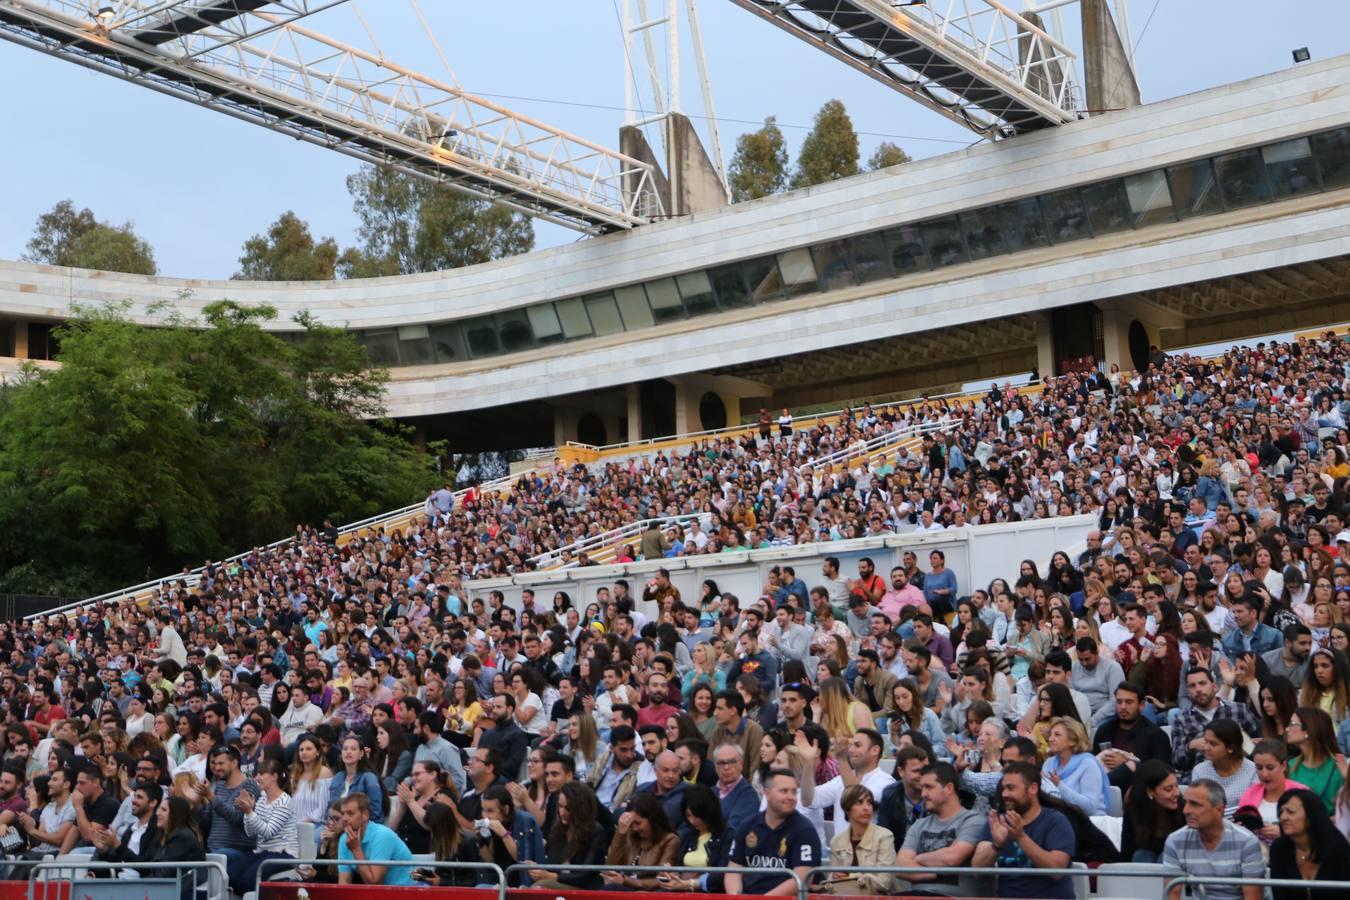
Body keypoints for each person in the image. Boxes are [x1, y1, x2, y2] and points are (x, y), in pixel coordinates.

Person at [971, 761, 1076, 899]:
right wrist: (996, 846)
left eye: (1011, 788)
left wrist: (1021, 838)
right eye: (1003, 788)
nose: (1004, 794)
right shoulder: (998, 822)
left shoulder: (1056, 821)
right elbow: (977, 870)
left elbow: (1057, 870)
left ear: (1033, 788)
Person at [1163, 779, 1264, 900]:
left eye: (1195, 804)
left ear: (1219, 810)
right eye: (1186, 803)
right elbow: (1172, 895)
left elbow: (1253, 898)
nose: (1186, 810)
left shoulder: (1247, 842)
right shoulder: (1175, 841)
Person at [726, 768, 820, 897]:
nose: (791, 797)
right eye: (784, 791)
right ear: (767, 793)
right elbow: (734, 868)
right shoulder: (747, 825)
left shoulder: (805, 830)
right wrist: (736, 897)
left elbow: (803, 878)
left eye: (794, 792)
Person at [895, 761, 983, 894]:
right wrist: (941, 872)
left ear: (948, 788)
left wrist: (918, 858)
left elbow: (952, 858)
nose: (923, 794)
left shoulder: (973, 821)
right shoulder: (919, 825)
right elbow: (901, 867)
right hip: (917, 896)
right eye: (922, 788)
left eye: (929, 787)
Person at [224, 758, 298, 895]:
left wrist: (249, 812)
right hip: (262, 852)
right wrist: (248, 812)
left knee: (248, 880)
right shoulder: (262, 798)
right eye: (257, 773)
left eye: (261, 774)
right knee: (230, 875)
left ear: (274, 777)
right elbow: (251, 833)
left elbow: (267, 832)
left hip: (284, 854)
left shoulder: (285, 801)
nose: (257, 777)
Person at [1268, 788, 1350, 900]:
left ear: (1312, 815)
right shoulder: (1278, 849)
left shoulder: (1338, 847)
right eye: (1281, 812)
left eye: (1290, 812)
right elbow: (1279, 895)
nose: (1283, 818)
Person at [527, 781, 606, 890]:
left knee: (541, 887)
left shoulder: (596, 832)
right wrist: (537, 868)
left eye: (568, 808)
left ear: (581, 808)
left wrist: (551, 876)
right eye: (560, 806)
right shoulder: (558, 830)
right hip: (558, 883)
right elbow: (551, 864)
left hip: (583, 889)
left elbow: (585, 875)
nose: (562, 812)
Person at [599, 791, 678, 890]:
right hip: (624, 887)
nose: (635, 828)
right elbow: (610, 866)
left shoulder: (670, 840)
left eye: (638, 823)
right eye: (632, 823)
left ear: (652, 819)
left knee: (611, 889)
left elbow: (661, 880)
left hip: (646, 892)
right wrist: (620, 834)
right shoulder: (630, 834)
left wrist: (625, 881)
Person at [825, 783, 895, 895]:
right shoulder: (836, 841)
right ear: (847, 809)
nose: (866, 808)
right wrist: (833, 876)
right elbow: (830, 882)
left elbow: (885, 883)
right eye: (859, 802)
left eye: (869, 802)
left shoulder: (884, 836)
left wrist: (851, 876)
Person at [336, 792, 415, 886]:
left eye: (350, 813)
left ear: (365, 815)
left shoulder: (382, 836)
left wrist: (356, 849)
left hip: (406, 892)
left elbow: (375, 883)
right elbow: (343, 882)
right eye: (343, 813)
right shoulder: (344, 839)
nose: (344, 818)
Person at [1240, 740, 1309, 844]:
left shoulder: (1301, 792)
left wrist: (1284, 832)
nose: (1264, 774)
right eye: (1259, 768)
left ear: (1283, 765)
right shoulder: (1250, 793)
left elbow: (1316, 830)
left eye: (1270, 768)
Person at [1040, 717, 1108, 816]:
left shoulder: (1088, 764)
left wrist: (1059, 785)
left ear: (1072, 741)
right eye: (1050, 735)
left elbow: (1090, 808)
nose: (1050, 739)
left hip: (1089, 822)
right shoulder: (1049, 763)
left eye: (1057, 735)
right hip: (1059, 819)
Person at [1120, 760, 1184, 863]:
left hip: (1176, 858)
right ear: (1150, 791)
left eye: (1176, 786)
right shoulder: (1134, 808)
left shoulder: (1184, 808)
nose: (1176, 793)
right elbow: (1127, 849)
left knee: (1164, 857)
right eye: (1169, 789)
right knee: (1141, 855)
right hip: (1145, 856)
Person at [1189, 720, 1257, 816]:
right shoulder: (1200, 771)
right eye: (1206, 742)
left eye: (1213, 744)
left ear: (1231, 748)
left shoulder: (1253, 770)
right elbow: (1197, 806)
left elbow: (1253, 808)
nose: (1206, 748)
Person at [144, 796, 207, 900]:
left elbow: (164, 874)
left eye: (163, 810)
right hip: (176, 889)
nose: (157, 813)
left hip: (190, 892)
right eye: (159, 808)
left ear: (175, 814)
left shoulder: (182, 836)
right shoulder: (165, 835)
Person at [1287, 707, 1347, 813]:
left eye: (1292, 724)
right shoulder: (1290, 766)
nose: (1287, 729)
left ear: (1308, 730)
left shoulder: (1339, 768)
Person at [327, 735, 384, 823]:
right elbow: (330, 808)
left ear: (361, 754)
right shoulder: (337, 777)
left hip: (361, 827)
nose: (348, 752)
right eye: (345, 749)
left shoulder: (369, 778)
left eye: (353, 749)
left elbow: (375, 814)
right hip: (337, 825)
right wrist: (330, 826)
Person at [711, 743, 759, 836]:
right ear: (715, 767)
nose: (726, 767)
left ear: (741, 765)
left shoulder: (748, 795)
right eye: (721, 763)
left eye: (732, 762)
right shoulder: (709, 792)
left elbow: (734, 830)